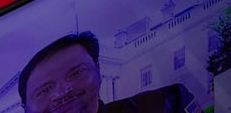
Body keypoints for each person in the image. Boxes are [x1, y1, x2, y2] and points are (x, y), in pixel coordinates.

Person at [18, 33, 194, 113]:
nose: (63, 91)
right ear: (25, 108)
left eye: (76, 73)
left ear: (98, 69)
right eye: (43, 90)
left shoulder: (167, 104)